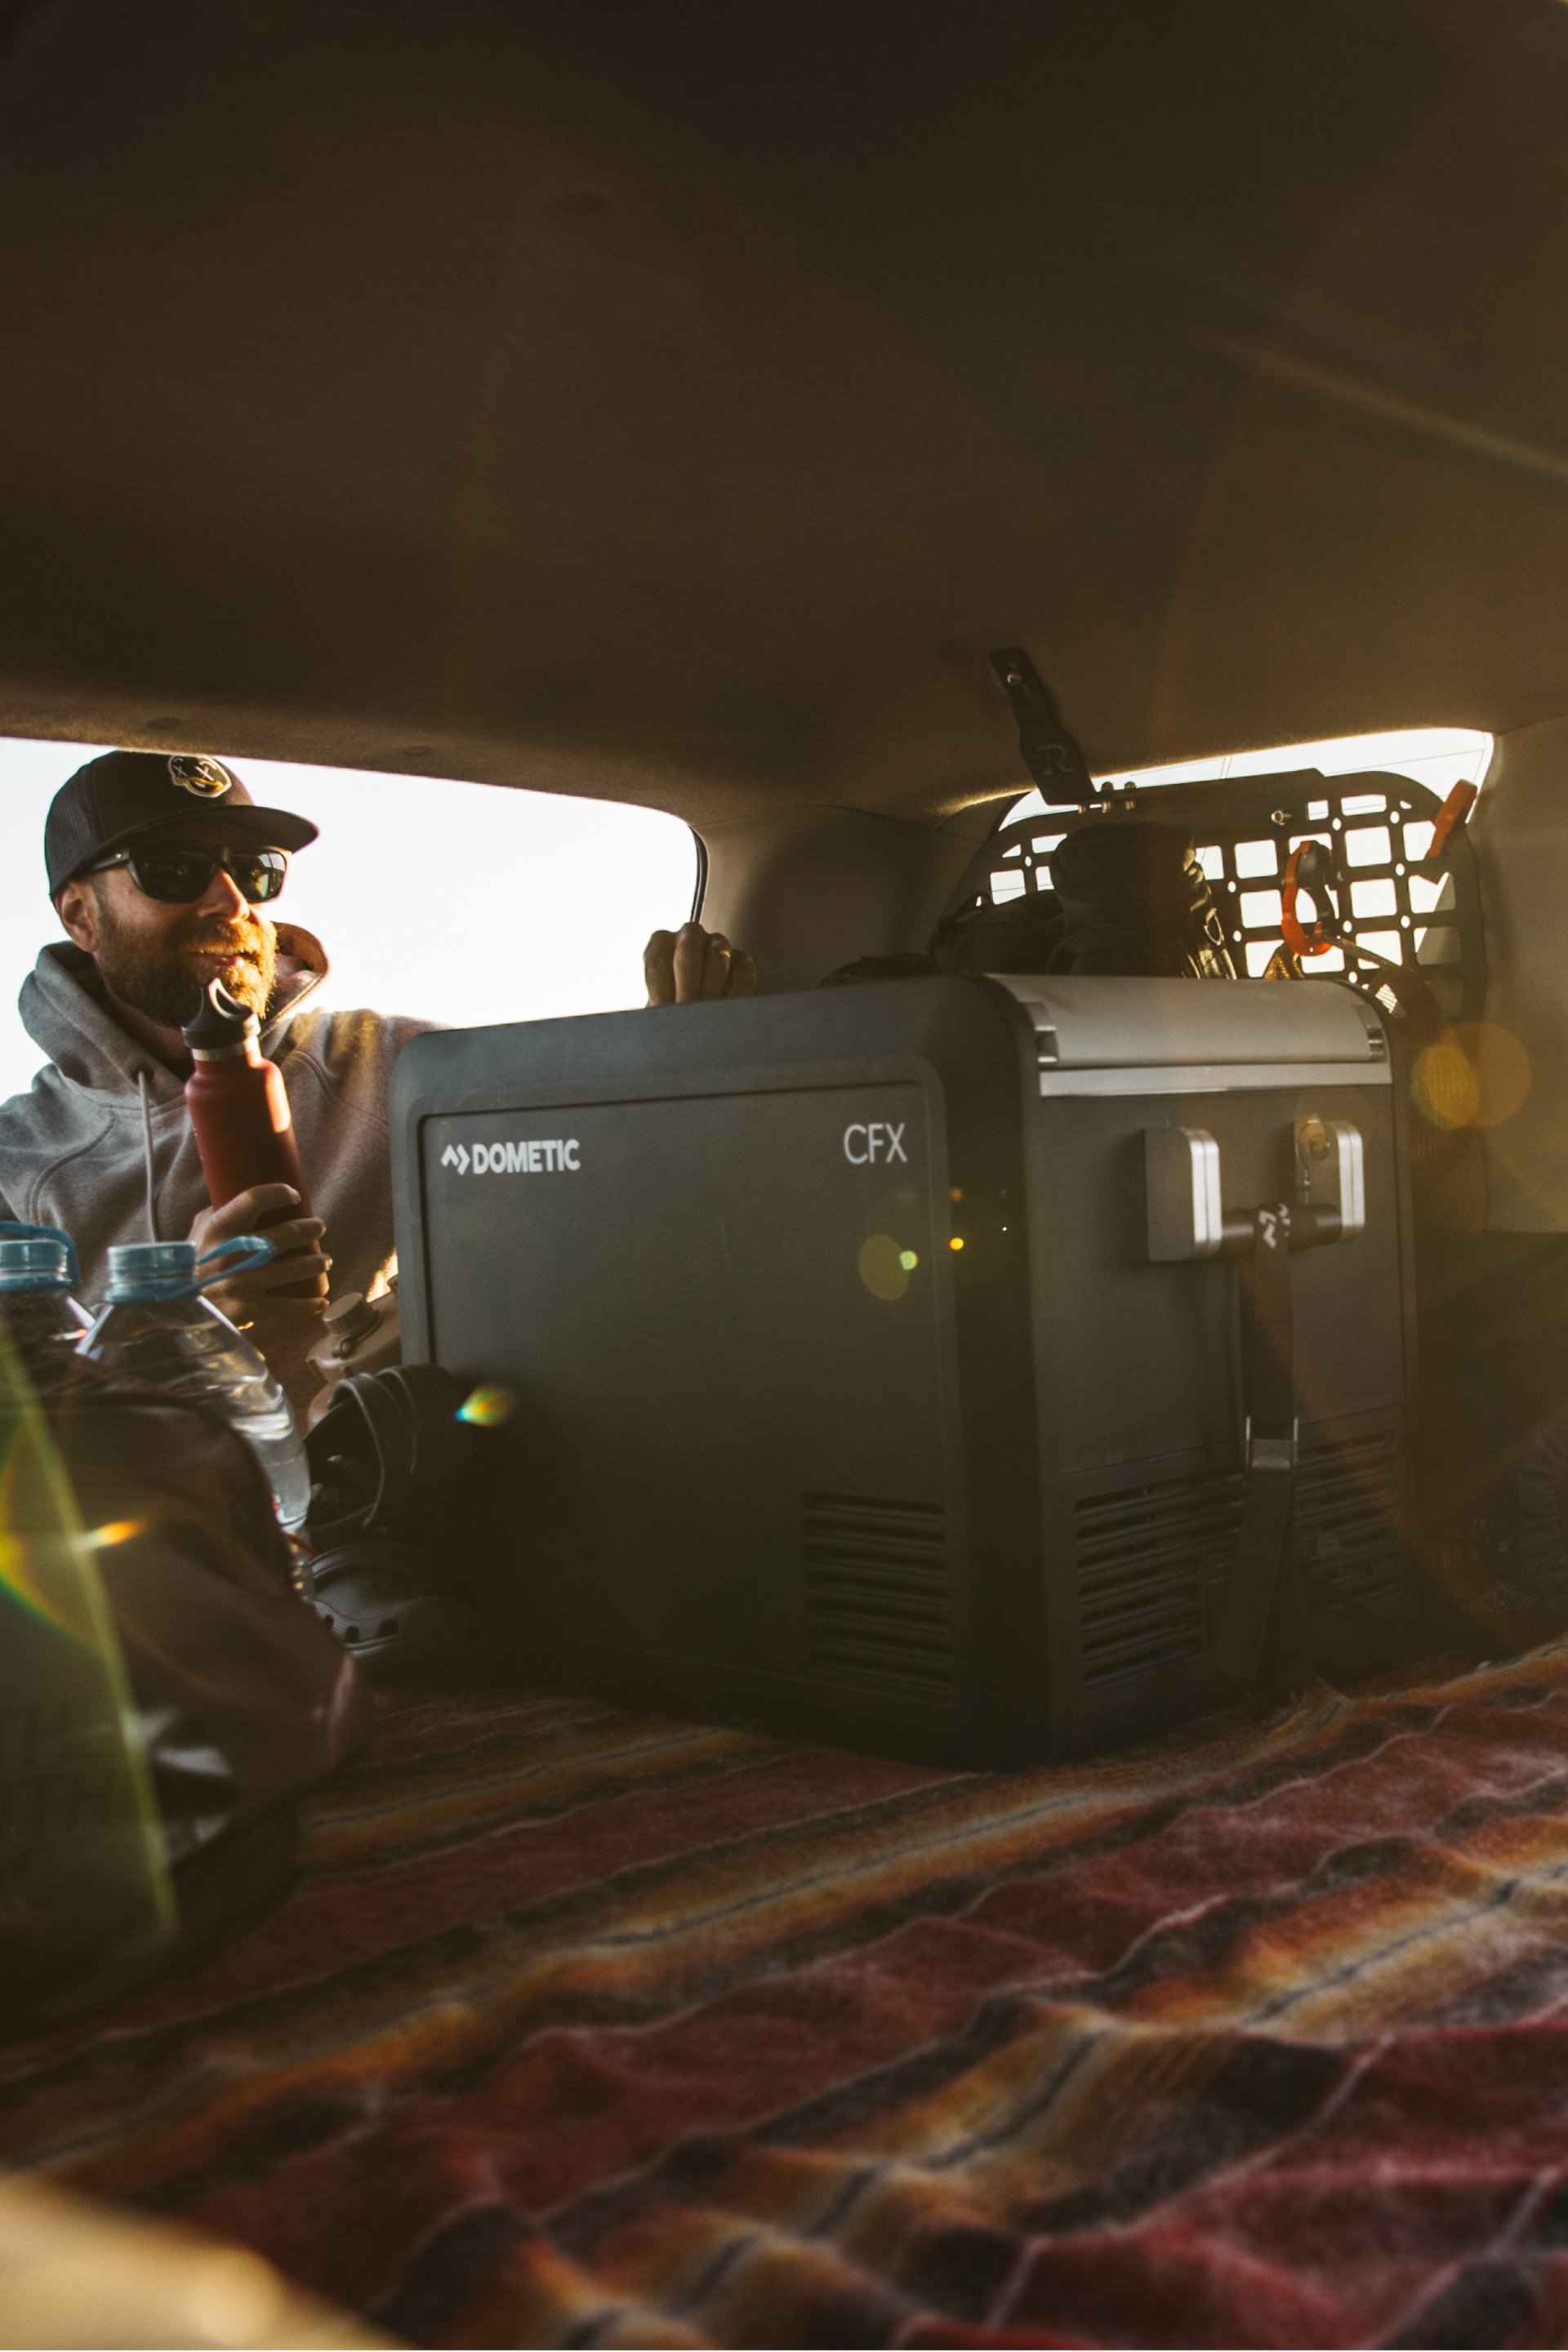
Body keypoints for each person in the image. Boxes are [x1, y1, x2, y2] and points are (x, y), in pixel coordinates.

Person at [0, 750, 754, 1406]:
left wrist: (673, 1057)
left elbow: (597, 1174)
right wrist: (172, 1332)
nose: (229, 901)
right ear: (81, 917)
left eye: (255, 872)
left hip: (393, 1514)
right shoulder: (17, 1167)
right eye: (172, 871)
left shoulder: (405, 1067)